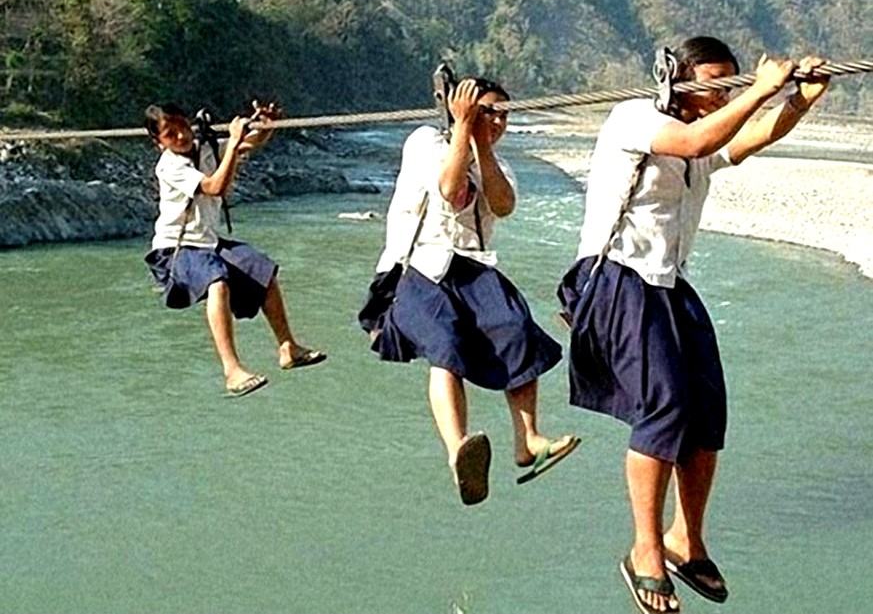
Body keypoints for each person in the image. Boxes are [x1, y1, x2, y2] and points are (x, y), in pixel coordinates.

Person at [557, 37, 829, 614]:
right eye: (713, 81)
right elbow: (698, 139)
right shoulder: (637, 118)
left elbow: (741, 143)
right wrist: (759, 88)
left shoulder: (707, 125)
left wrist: (798, 102)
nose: (721, 92)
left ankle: (686, 538)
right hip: (619, 277)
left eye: (730, 81)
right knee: (664, 407)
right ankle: (645, 549)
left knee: (706, 414)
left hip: (670, 283)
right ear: (676, 77)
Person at [360, 76, 579, 506]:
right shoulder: (424, 141)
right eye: (488, 112)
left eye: (503, 115)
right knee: (446, 347)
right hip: (416, 268)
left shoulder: (498, 165)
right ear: (461, 110)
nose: (497, 122)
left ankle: (527, 440)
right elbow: (449, 188)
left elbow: (502, 205)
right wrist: (463, 129)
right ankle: (458, 447)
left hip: (473, 270)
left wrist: (481, 146)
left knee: (517, 331)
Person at [143, 102, 326, 397]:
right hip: (176, 249)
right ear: (158, 142)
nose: (180, 136)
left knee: (261, 270)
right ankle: (232, 370)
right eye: (170, 134)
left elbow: (249, 143)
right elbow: (215, 187)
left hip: (208, 243)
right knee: (217, 281)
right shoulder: (170, 166)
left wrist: (264, 125)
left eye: (182, 126)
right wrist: (232, 145)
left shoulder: (205, 146)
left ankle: (288, 347)